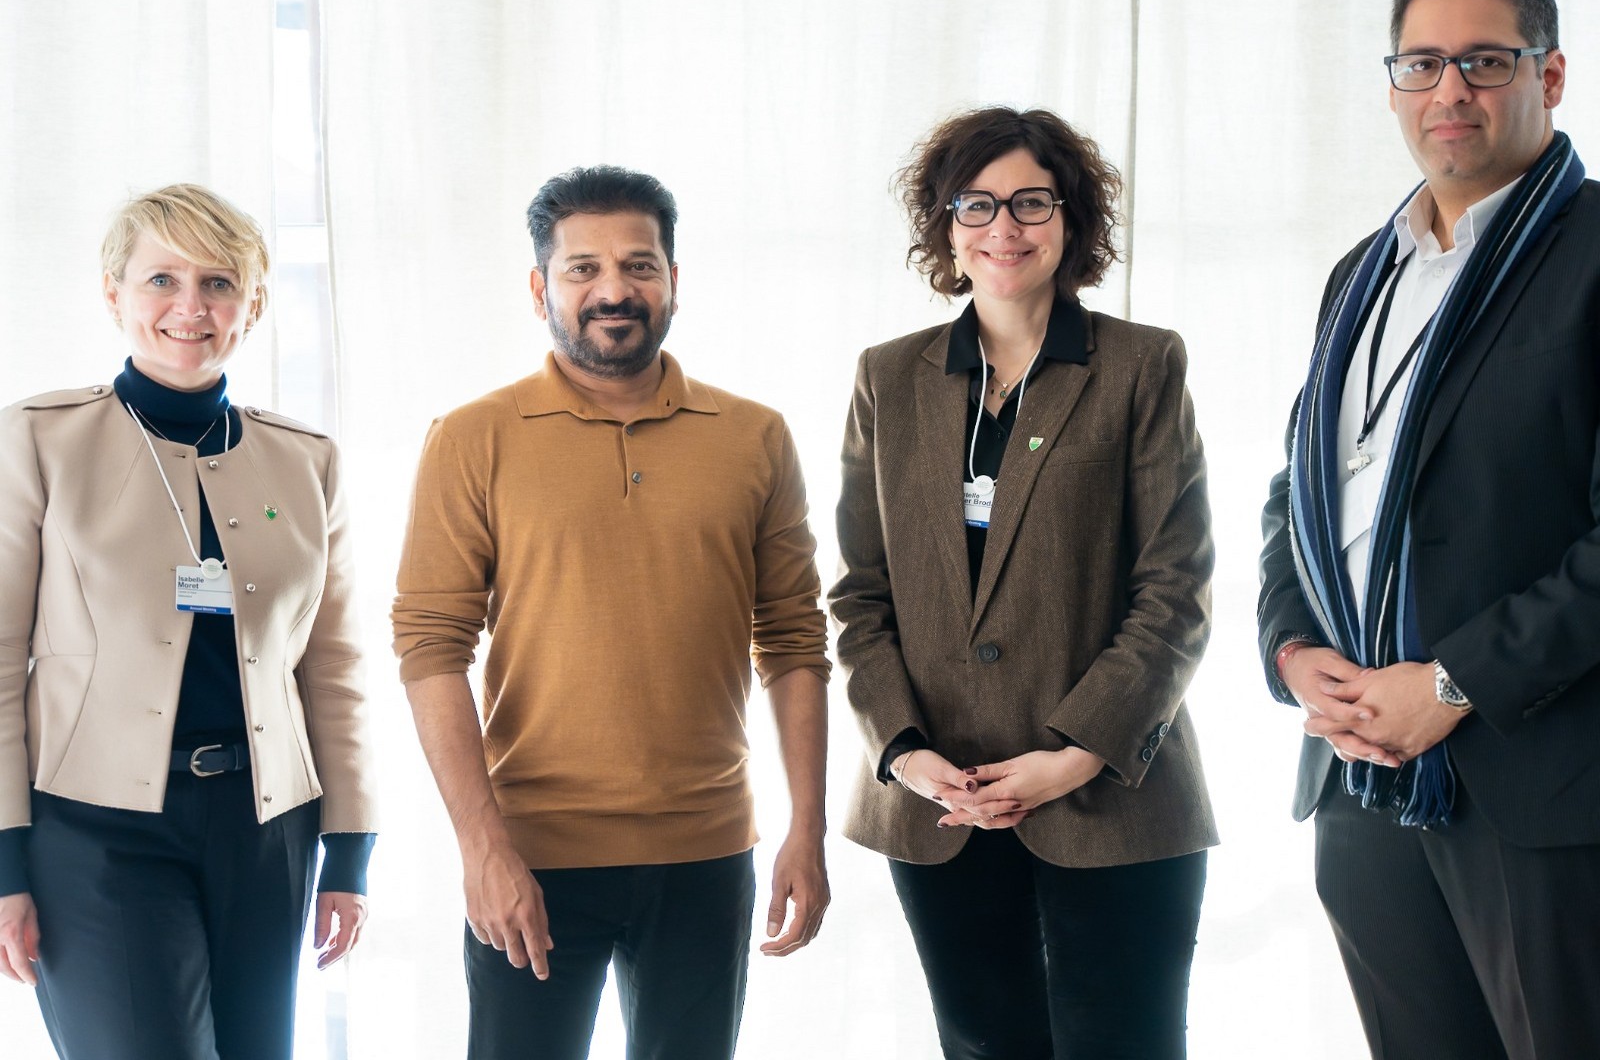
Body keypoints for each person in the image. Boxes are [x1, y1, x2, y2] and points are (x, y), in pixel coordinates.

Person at [393, 164, 830, 1060]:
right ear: (539, 286)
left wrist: (807, 832)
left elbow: (793, 641)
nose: (613, 289)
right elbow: (431, 645)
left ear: (674, 280)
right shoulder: (474, 436)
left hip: (707, 855)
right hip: (533, 855)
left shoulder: (753, 435)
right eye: (583, 267)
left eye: (639, 264)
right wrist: (483, 850)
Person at [1259, 0, 1600, 1060]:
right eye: (1423, 63)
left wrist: (1450, 684)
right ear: (1394, 84)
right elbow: (1302, 486)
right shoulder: (1364, 271)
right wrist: (1292, 646)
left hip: (1539, 786)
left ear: (1549, 76)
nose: (1450, 90)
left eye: (1484, 61)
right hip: (1360, 775)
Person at [831, 106, 1216, 1060]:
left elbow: (1176, 591)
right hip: (942, 802)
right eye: (978, 204)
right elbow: (859, 595)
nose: (1005, 227)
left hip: (1113, 797)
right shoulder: (889, 378)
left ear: (1073, 221)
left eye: (1033, 203)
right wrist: (904, 751)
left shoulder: (1141, 365)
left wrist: (1079, 753)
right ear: (946, 226)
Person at [0, 184, 378, 1060]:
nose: (189, 308)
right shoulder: (39, 441)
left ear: (250, 306)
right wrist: (6, 864)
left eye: (218, 283)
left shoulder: (305, 460)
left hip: (266, 828)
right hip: (95, 831)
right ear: (113, 294)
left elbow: (335, 669)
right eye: (160, 279)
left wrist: (349, 853)